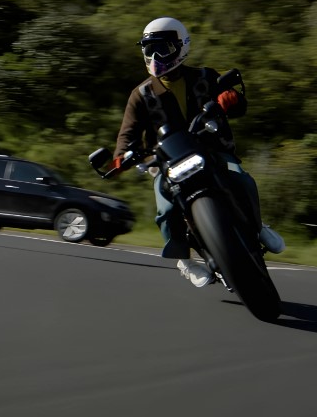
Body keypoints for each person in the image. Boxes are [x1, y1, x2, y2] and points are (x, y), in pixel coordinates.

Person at [110, 16, 284, 287]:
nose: (156, 56)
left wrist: (232, 99)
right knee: (166, 209)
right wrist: (121, 156)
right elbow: (127, 133)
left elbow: (237, 105)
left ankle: (258, 227)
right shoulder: (141, 94)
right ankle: (185, 260)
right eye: (149, 49)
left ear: (181, 46)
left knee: (241, 178)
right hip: (168, 163)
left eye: (163, 48)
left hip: (213, 150)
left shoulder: (205, 77)